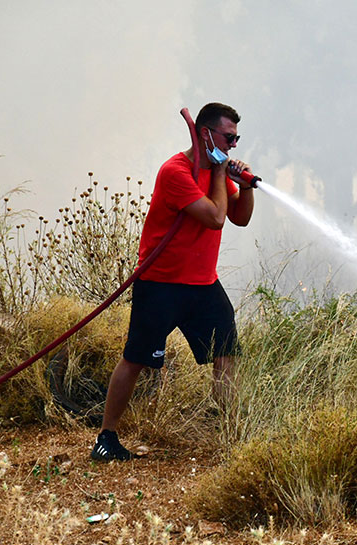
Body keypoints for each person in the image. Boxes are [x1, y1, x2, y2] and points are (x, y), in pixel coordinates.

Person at [90, 102, 255, 462]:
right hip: (161, 284)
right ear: (206, 134)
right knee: (136, 358)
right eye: (228, 137)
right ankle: (106, 438)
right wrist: (220, 172)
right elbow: (215, 217)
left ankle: (233, 440)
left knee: (226, 353)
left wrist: (245, 186)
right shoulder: (175, 172)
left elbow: (239, 218)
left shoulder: (217, 173)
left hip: (204, 285)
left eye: (236, 138)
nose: (233, 145)